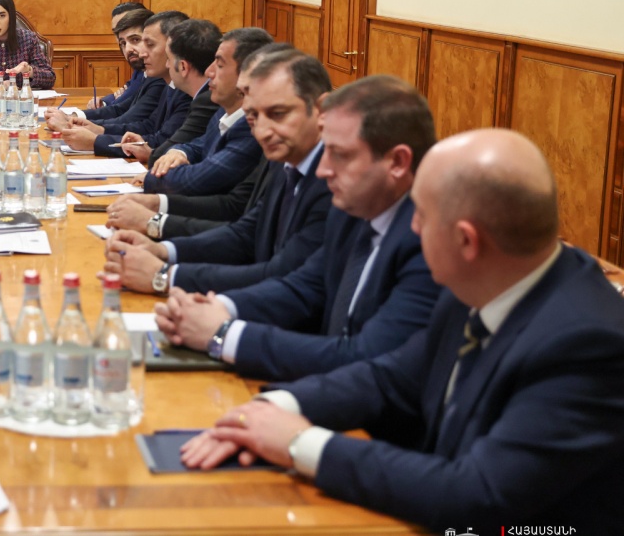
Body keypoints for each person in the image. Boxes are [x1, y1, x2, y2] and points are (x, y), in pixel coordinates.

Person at [179, 129, 624, 535]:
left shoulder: (586, 345)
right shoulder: (480, 282)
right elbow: (390, 377)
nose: (411, 227)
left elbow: (476, 495)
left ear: (467, 242)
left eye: (422, 215)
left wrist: (299, 442)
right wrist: (270, 410)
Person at [156, 75, 441, 382]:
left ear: (397, 162)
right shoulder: (356, 208)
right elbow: (305, 287)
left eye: (340, 155)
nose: (323, 169)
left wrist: (224, 334)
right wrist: (220, 308)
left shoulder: (429, 242)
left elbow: (365, 357)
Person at [104, 49, 333, 296]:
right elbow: (248, 233)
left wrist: (164, 276)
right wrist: (163, 251)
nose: (263, 131)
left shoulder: (332, 180)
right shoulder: (285, 158)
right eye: (253, 116)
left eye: (278, 114)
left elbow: (285, 275)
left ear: (321, 109)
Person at [107, 43, 297, 239]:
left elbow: (230, 207)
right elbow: (240, 216)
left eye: (277, 113)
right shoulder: (227, 112)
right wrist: (178, 154)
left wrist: (154, 219)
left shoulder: (252, 131)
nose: (209, 72)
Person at [141, 27, 271, 196]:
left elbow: (199, 179)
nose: (209, 72)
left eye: (220, 65)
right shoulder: (223, 111)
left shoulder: (250, 126)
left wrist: (152, 178)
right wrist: (178, 152)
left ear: (249, 75)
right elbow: (199, 144)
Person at [58, 11, 194, 155]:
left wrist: (95, 141)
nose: (142, 53)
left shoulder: (186, 91)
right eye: (122, 43)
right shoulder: (169, 85)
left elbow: (161, 142)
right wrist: (97, 130)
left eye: (148, 44)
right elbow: (149, 126)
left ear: (173, 47)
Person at [117, 18, 222, 164]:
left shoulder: (207, 100)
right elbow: (194, 146)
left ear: (183, 67)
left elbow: (170, 145)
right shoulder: (179, 90)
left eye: (169, 59)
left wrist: (154, 156)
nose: (142, 54)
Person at [86, 1, 150, 110]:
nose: (119, 36)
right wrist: (105, 102)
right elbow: (129, 88)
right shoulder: (140, 63)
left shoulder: (152, 67)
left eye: (135, 39)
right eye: (116, 32)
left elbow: (127, 101)